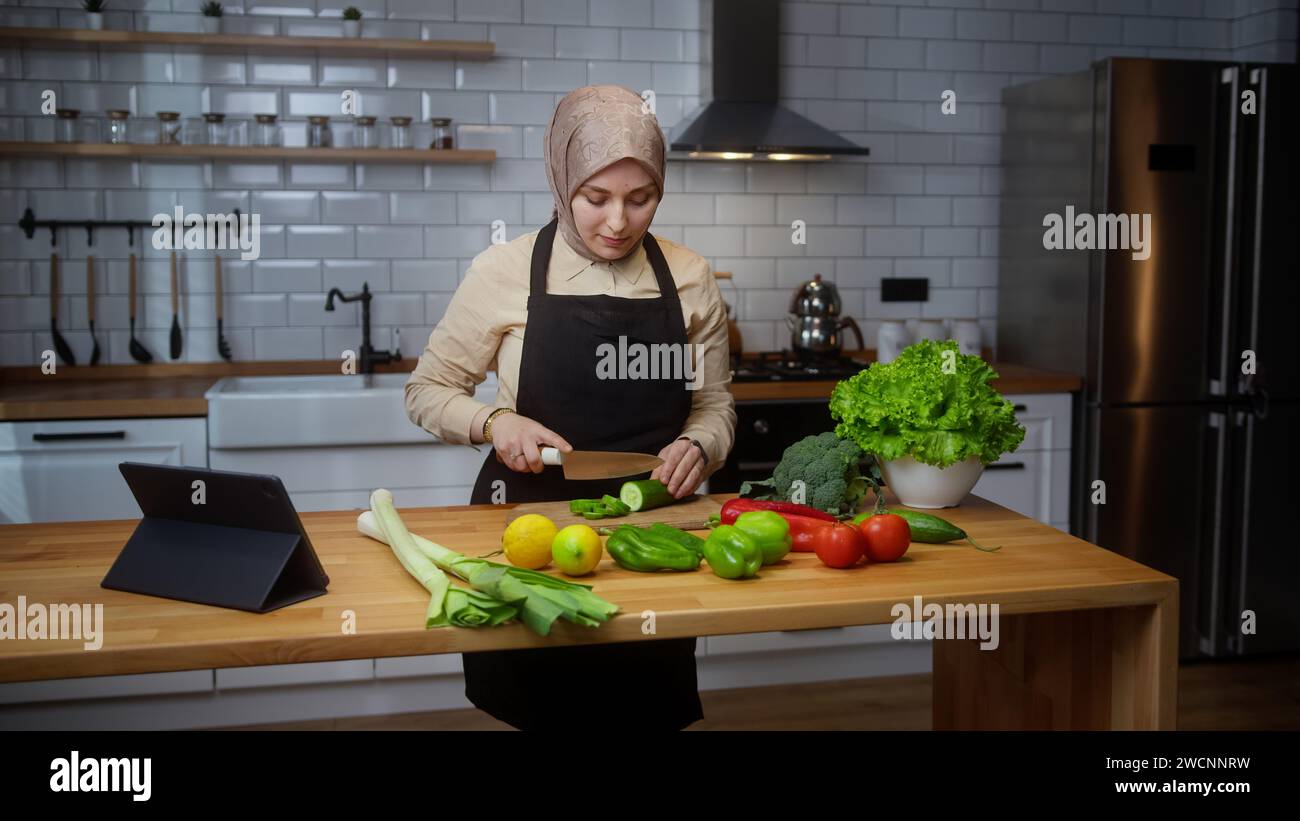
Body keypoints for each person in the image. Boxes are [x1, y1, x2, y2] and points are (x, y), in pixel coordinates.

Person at [405, 85, 737, 730]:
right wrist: (493, 421)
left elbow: (715, 405)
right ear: (562, 181)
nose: (618, 222)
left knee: (643, 708)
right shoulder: (503, 270)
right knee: (541, 706)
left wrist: (700, 445)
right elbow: (427, 391)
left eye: (640, 200)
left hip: (651, 533)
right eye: (596, 198)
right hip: (528, 536)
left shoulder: (690, 275)